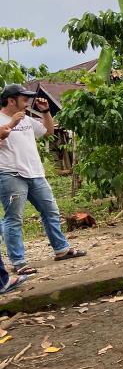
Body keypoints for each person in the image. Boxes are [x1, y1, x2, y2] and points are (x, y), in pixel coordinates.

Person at [0, 84, 87, 275]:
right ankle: (18, 262)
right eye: (24, 99)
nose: (28, 102)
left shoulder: (27, 119)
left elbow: (48, 132)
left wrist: (46, 112)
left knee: (51, 211)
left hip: (35, 173)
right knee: (14, 218)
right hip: (10, 174)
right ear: (11, 100)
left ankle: (61, 249)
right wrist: (11, 124)